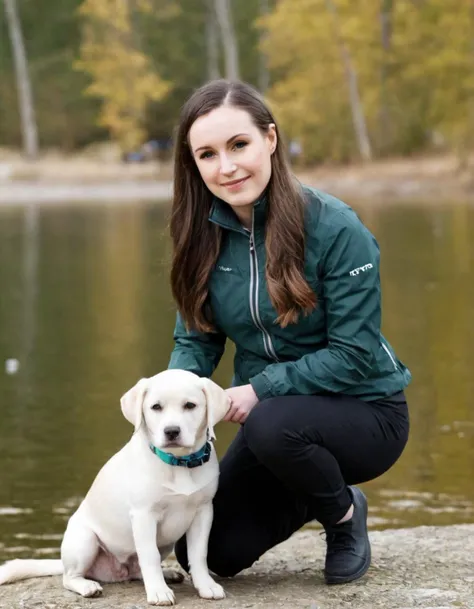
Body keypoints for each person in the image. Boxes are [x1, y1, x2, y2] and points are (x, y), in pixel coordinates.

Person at [165, 79, 411, 584]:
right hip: (275, 423)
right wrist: (166, 405)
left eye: (239, 145)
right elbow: (196, 340)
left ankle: (342, 516)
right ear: (194, 165)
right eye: (207, 154)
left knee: (273, 425)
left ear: (270, 140)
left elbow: (354, 354)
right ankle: (306, 481)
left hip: (367, 412)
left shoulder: (336, 228)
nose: (227, 167)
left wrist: (258, 390)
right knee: (204, 560)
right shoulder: (200, 241)